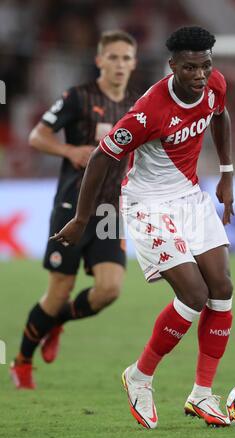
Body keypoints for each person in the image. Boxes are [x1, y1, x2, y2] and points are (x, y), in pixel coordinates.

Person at [50, 26, 234, 428]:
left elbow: (220, 116)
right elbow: (102, 156)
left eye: (205, 66)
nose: (200, 75)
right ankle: (139, 376)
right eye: (190, 68)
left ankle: (202, 395)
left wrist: (227, 173)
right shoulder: (150, 110)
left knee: (222, 290)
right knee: (195, 293)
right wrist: (82, 219)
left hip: (190, 196)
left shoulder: (215, 83)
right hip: (148, 205)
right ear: (172, 67)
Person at [10, 30, 138, 389]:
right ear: (99, 60)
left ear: (134, 63)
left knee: (109, 290)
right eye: (112, 57)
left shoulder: (139, 104)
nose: (119, 64)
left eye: (125, 58)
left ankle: (56, 322)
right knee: (58, 292)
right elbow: (38, 135)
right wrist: (69, 151)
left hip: (110, 211)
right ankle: (21, 362)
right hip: (71, 207)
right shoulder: (77, 97)